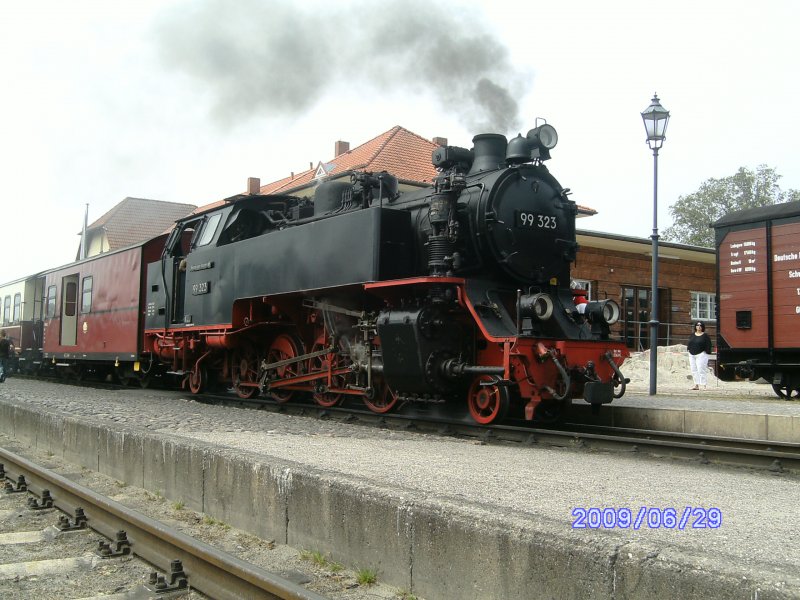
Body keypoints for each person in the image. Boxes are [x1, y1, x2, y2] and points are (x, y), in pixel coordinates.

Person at [687, 321, 713, 390]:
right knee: (693, 369)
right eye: (697, 325)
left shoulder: (705, 336)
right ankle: (696, 385)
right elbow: (689, 343)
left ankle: (704, 385)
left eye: (700, 325)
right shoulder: (692, 335)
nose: (699, 326)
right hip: (692, 354)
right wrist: (688, 350)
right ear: (695, 327)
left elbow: (709, 345)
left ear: (702, 327)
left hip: (701, 354)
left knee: (701, 369)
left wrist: (706, 353)